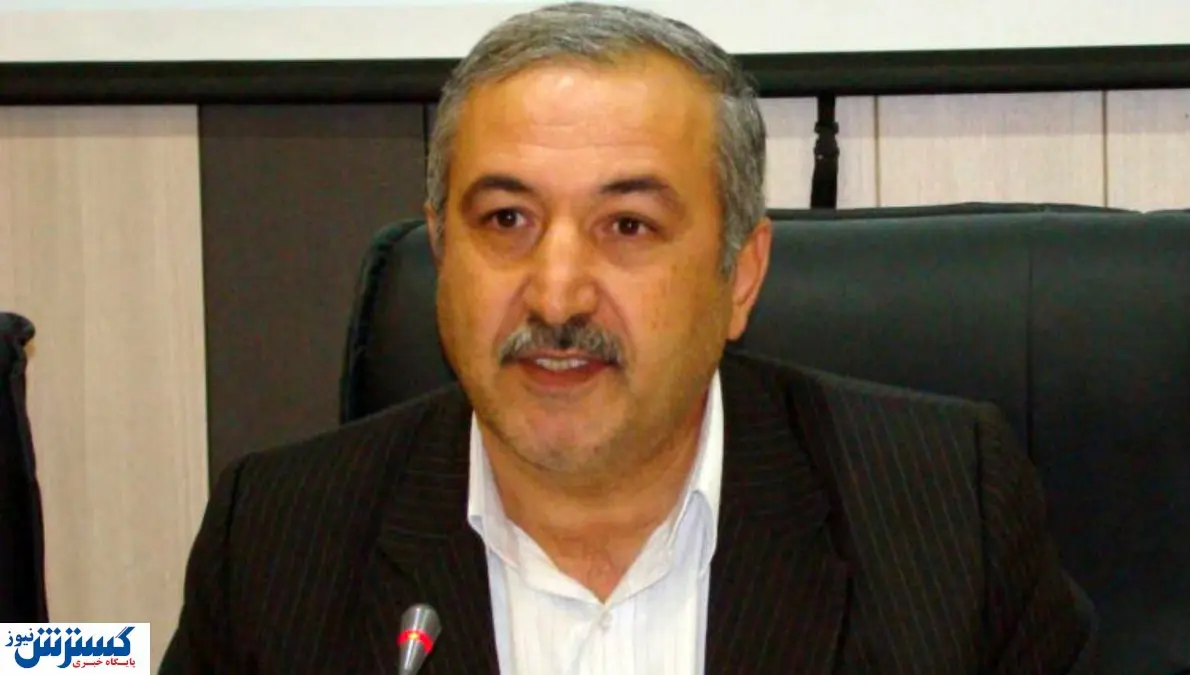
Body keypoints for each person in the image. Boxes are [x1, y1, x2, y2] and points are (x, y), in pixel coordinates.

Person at [160, 3, 1097, 674]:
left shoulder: (947, 515)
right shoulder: (279, 541)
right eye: (506, 220)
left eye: (628, 226)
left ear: (740, 274)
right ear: (442, 250)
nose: (557, 292)